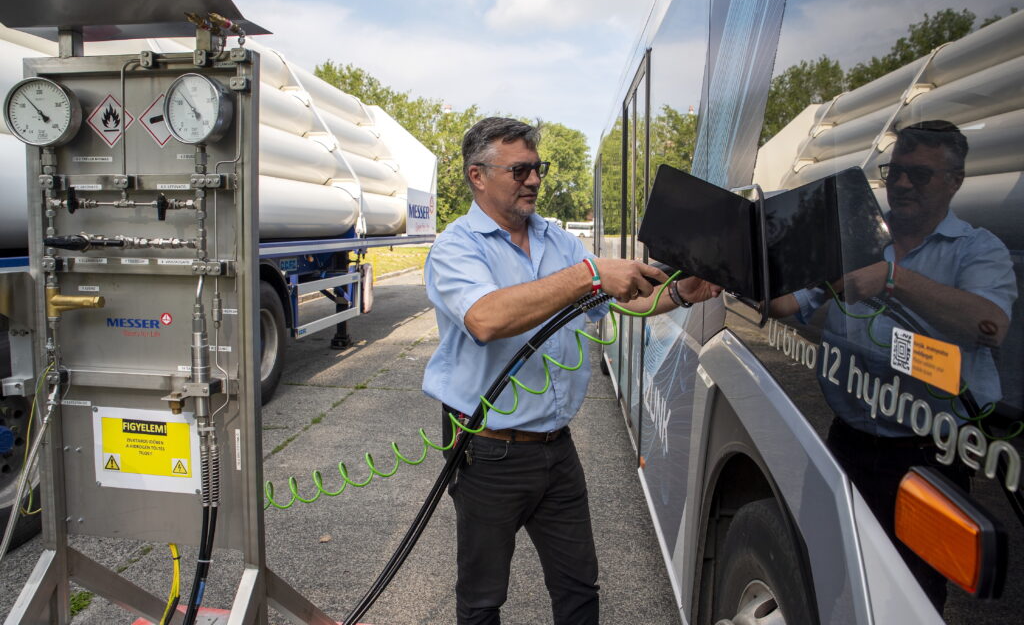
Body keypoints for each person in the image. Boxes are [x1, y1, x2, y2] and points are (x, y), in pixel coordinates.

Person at [422, 117, 720, 624]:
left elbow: (620, 302)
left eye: (537, 168)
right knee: (482, 598)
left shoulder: (558, 241)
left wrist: (677, 293)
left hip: (556, 449)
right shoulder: (456, 247)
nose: (534, 180)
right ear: (478, 175)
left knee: (580, 589)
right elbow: (488, 318)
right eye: (519, 170)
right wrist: (589, 274)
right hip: (488, 452)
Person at [771, 119, 1017, 609]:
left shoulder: (977, 249)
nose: (901, 184)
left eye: (919, 175)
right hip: (847, 440)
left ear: (955, 181)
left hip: (928, 455)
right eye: (894, 172)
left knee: (911, 593)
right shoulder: (856, 240)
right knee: (825, 573)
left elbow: (991, 325)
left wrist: (892, 279)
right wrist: (773, 251)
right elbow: (783, 307)